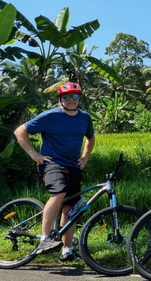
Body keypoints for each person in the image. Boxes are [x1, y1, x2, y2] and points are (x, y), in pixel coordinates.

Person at [14, 82, 95, 261]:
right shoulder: (50, 116)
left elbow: (90, 138)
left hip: (73, 165)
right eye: (67, 97)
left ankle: (67, 250)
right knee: (60, 191)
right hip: (52, 163)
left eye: (75, 96)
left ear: (79, 98)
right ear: (60, 99)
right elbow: (20, 131)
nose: (71, 100)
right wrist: (35, 155)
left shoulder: (85, 118)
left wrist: (85, 157)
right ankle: (45, 238)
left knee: (70, 207)